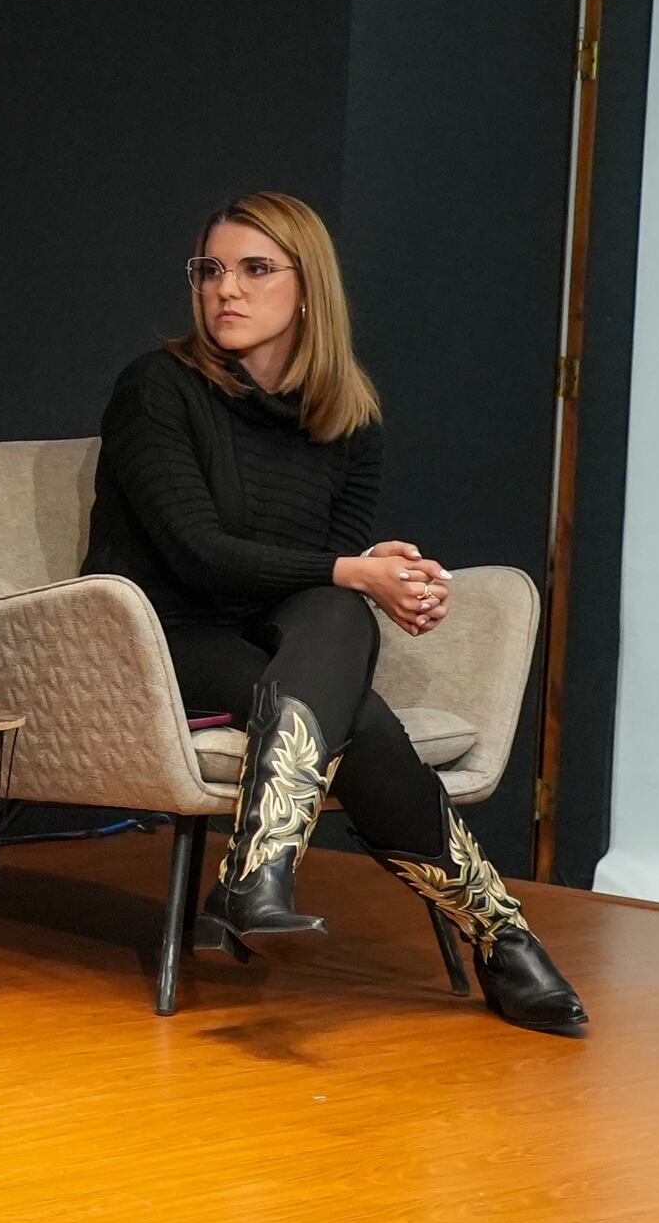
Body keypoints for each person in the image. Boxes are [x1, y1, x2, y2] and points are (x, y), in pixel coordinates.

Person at [88, 191, 586, 1037]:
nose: (224, 290)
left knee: (340, 612)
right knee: (357, 699)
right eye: (210, 269)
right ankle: (501, 934)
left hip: (266, 648)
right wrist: (356, 570)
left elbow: (317, 581)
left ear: (308, 288)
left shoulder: (348, 419)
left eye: (253, 269)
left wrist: (379, 569)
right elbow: (199, 552)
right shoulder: (156, 389)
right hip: (151, 643)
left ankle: (257, 874)